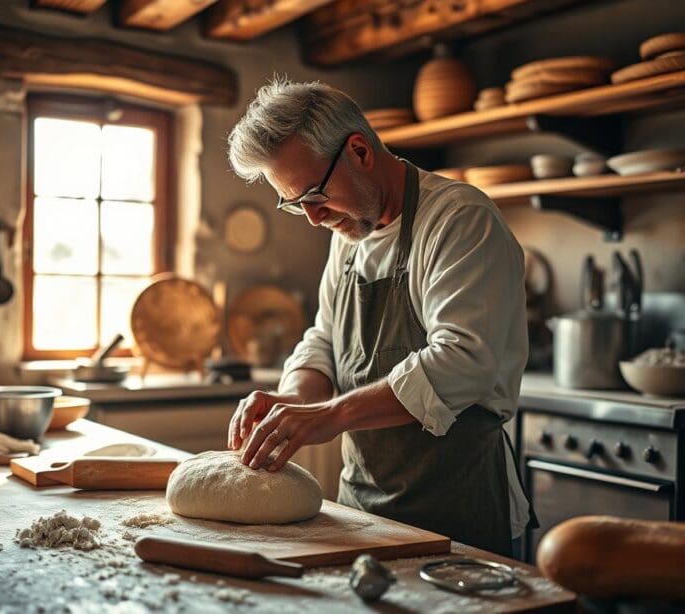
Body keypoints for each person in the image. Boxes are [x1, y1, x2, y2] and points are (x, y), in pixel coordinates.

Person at [225, 77, 536, 556]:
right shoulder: (349, 235)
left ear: (359, 151)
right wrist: (293, 401)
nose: (313, 217)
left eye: (314, 195)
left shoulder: (459, 220)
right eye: (295, 204)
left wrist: (330, 415)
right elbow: (325, 340)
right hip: (361, 511)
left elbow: (462, 361)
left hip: (459, 515)